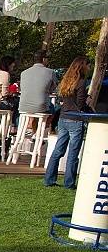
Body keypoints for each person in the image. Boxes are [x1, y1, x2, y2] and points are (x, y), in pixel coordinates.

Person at [44, 56, 91, 189]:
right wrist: (88, 100)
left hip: (64, 117)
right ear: (83, 66)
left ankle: (49, 179)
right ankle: (69, 183)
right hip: (76, 119)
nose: (89, 68)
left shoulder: (66, 81)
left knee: (58, 150)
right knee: (73, 153)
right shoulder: (82, 82)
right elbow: (80, 104)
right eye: (88, 65)